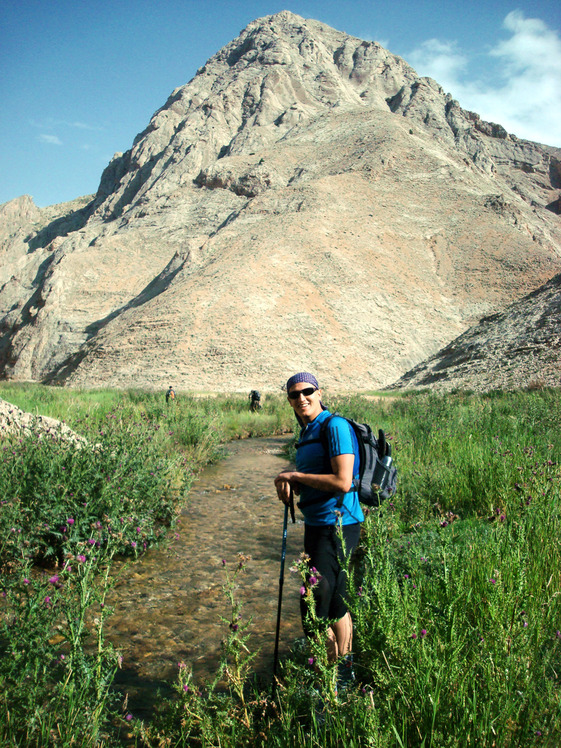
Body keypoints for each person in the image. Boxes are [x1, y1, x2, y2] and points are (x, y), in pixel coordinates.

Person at [274, 372, 363, 686]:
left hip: (337, 525)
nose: (301, 399)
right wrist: (292, 484)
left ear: (319, 392)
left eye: (306, 391)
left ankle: (330, 679)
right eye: (293, 395)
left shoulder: (334, 426)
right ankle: (343, 672)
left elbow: (342, 481)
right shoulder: (308, 431)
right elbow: (315, 479)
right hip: (319, 525)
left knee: (313, 608)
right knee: (336, 602)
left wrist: (294, 477)